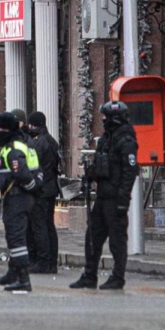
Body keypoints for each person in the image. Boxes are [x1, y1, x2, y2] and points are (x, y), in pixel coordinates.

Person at [69, 101, 138, 291]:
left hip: (115, 198)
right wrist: (90, 175)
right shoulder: (107, 138)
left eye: (106, 117)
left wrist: (123, 200)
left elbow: (129, 172)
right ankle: (89, 276)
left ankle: (118, 277)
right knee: (92, 237)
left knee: (117, 240)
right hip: (102, 196)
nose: (104, 120)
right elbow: (102, 163)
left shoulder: (126, 140)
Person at [0, 112, 42, 292]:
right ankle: (13, 273)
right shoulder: (22, 143)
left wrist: (29, 186)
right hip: (19, 196)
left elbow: (21, 172)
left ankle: (23, 278)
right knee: (14, 236)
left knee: (16, 238)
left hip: (17, 196)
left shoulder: (13, 148)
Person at [27, 111, 61, 274]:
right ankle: (52, 262)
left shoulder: (37, 143)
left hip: (40, 190)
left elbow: (33, 167)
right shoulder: (52, 141)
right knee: (49, 226)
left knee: (39, 226)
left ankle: (43, 261)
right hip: (51, 189)